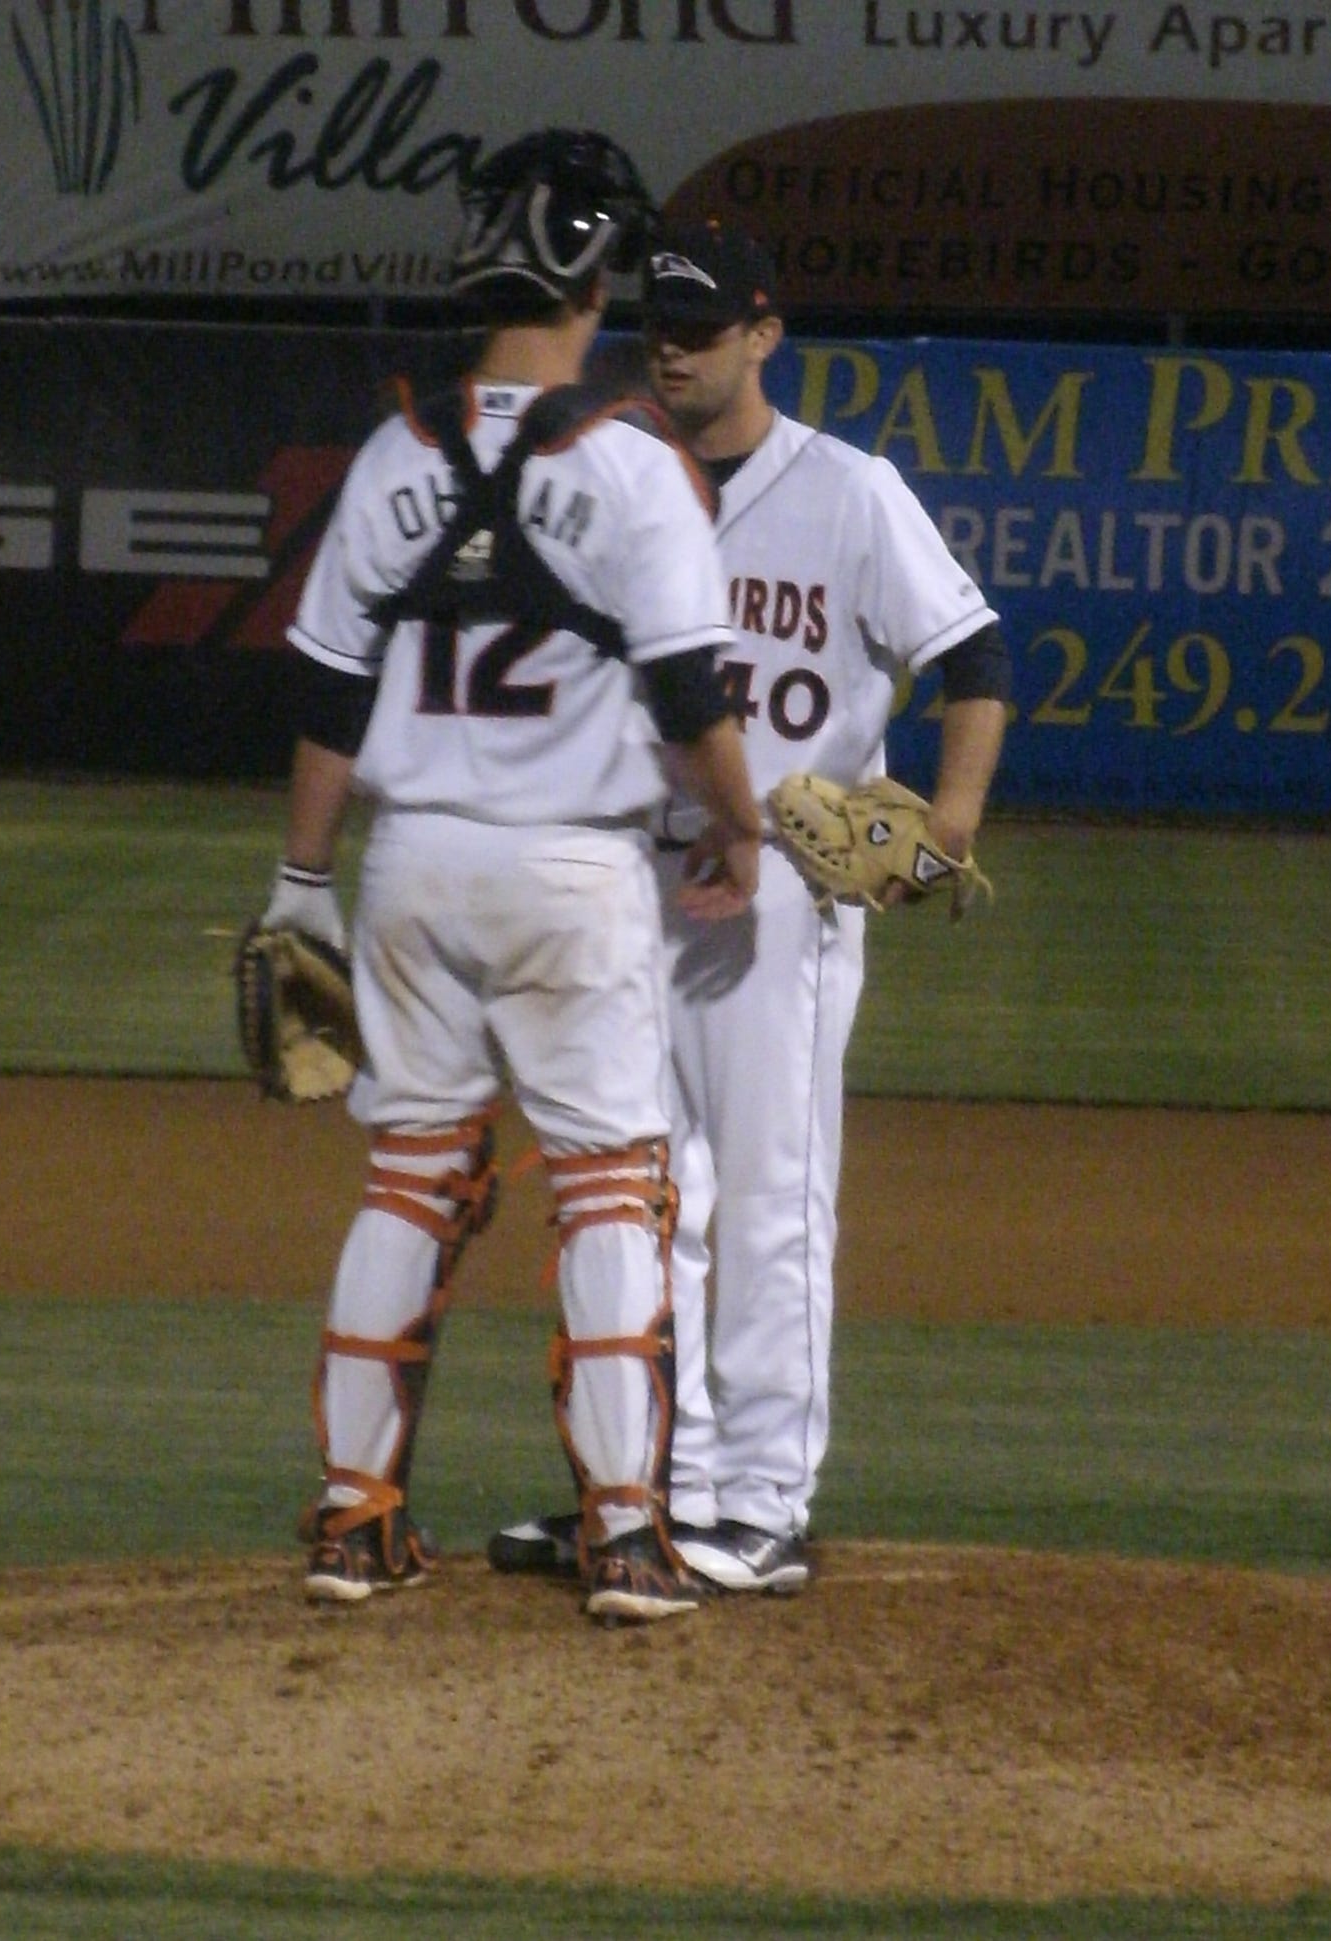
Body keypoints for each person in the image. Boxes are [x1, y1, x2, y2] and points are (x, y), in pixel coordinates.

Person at [260, 144, 765, 1626]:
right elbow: (687, 690)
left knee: (410, 1178)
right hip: (572, 873)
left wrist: (301, 878)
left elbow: (330, 693)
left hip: (411, 863)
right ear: (596, 279)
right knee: (615, 1186)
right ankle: (624, 1535)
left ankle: (356, 1524)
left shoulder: (394, 454)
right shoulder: (631, 459)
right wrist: (739, 827)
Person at [490, 219, 1010, 1593]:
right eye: (660, 320)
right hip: (628, 879)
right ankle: (651, 1488)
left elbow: (975, 654)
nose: (674, 344)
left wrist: (949, 818)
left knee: (768, 1196)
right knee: (644, 1199)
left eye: (704, 325)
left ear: (766, 334)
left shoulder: (846, 491)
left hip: (784, 893)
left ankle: (765, 1499)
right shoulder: (609, 483)